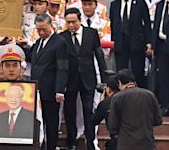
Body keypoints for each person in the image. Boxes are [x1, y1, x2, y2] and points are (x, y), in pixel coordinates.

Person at [60, 8, 107, 150]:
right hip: (70, 79)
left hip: (88, 77)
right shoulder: (62, 37)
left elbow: (99, 55)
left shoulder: (91, 33)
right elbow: (61, 62)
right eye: (68, 22)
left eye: (73, 22)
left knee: (88, 110)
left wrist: (104, 78)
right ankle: (71, 141)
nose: (71, 25)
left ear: (80, 20)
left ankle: (90, 141)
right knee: (69, 112)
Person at [26, 13, 68, 150]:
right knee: (38, 122)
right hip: (36, 89)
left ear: (51, 25)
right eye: (38, 30)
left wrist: (59, 90)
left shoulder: (59, 42)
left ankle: (51, 146)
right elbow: (33, 59)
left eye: (44, 29)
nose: (41, 32)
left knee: (51, 122)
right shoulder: (38, 42)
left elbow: (62, 68)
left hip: (51, 90)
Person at [109, 0, 151, 89]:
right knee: (121, 72)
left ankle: (140, 94)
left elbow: (146, 23)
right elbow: (112, 25)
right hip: (120, 43)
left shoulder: (140, 2)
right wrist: (112, 43)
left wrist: (148, 41)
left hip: (136, 42)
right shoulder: (115, 4)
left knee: (138, 71)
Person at [108, 69, 162, 150]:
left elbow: (112, 126)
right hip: (147, 144)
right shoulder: (150, 95)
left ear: (119, 82)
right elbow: (158, 120)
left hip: (126, 145)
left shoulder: (117, 98)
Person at [91, 75, 119, 150]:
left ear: (108, 89)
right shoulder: (130, 98)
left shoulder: (107, 103)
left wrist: (102, 102)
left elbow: (94, 120)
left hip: (118, 142)